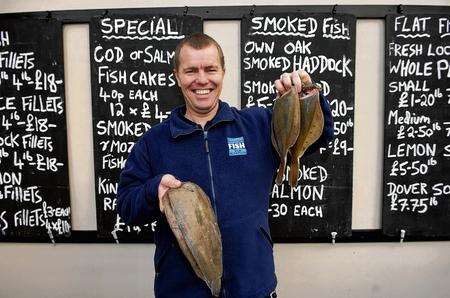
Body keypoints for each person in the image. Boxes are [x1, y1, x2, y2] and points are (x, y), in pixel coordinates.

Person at [117, 33, 333, 298]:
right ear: (177, 76)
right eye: (191, 71)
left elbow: (318, 136)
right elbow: (127, 206)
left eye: (210, 69)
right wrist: (154, 192)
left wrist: (306, 96)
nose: (202, 80)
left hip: (252, 289)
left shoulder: (259, 126)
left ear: (223, 72)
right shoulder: (154, 142)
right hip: (181, 292)